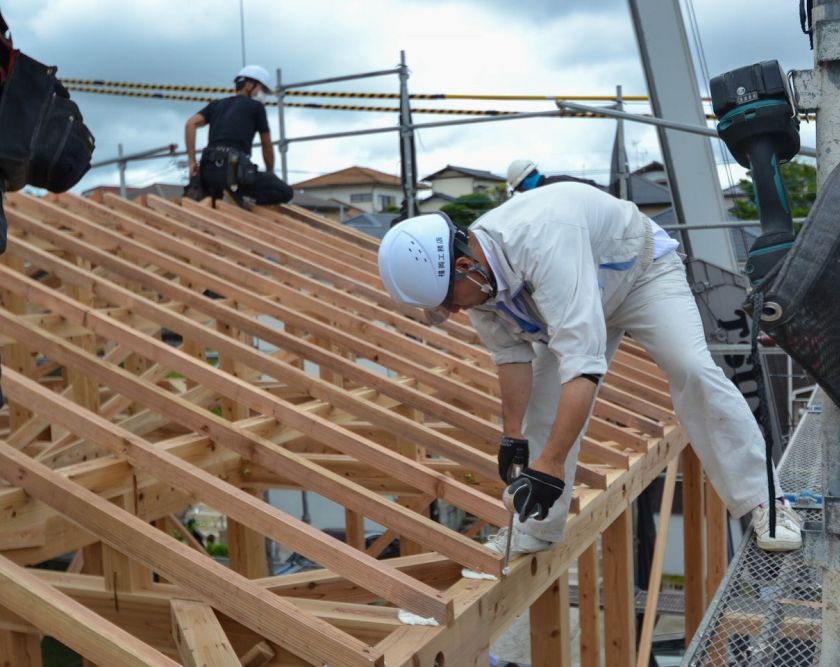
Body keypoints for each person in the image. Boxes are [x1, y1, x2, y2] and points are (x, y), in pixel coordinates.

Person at [377, 182, 803, 555]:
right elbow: (512, 359)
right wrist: (513, 437)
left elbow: (582, 369)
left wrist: (550, 464)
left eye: (450, 301)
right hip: (577, 291)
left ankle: (765, 503)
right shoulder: (473, 281)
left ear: (464, 265)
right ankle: (538, 527)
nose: (451, 311)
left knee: (690, 367)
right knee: (540, 411)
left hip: (640, 274)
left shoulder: (541, 241)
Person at [184, 65, 293, 207]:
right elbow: (267, 147)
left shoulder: (216, 105)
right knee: (284, 191)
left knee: (215, 202)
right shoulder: (256, 107)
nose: (262, 94)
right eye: (262, 89)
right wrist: (270, 173)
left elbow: (190, 124)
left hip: (208, 175)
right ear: (249, 85)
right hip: (235, 175)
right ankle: (246, 200)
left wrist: (192, 162)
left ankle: (230, 198)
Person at [506, 158, 601, 194]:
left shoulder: (553, 189)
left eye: (519, 190)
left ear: (524, 183)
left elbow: (592, 187)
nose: (522, 193)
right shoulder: (558, 181)